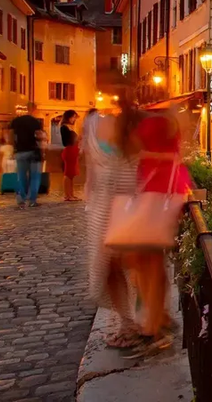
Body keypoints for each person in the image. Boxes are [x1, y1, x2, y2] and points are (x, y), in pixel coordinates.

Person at [128, 106, 191, 355]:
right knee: (153, 260)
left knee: (148, 261)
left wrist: (144, 153)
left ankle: (154, 328)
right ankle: (159, 319)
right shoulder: (168, 122)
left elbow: (136, 152)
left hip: (157, 196)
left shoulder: (148, 125)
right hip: (171, 193)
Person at [83, 101, 140, 350]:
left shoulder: (127, 126)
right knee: (114, 268)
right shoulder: (95, 126)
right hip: (110, 209)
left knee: (121, 267)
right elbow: (91, 171)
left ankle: (133, 323)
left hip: (123, 207)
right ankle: (130, 322)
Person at [10, 103, 45, 208]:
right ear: (34, 109)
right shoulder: (36, 122)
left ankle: (21, 199)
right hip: (33, 152)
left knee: (21, 176)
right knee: (34, 177)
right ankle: (32, 200)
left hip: (20, 152)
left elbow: (11, 135)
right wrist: (42, 151)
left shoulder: (16, 121)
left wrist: (13, 148)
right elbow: (39, 136)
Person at [62, 131, 81, 201]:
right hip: (70, 154)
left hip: (71, 154)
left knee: (71, 175)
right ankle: (68, 195)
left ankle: (70, 194)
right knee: (68, 175)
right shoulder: (70, 147)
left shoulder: (72, 146)